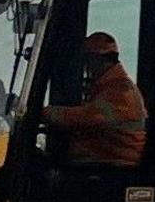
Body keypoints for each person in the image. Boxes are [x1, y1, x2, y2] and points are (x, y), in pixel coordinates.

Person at [46, 30, 148, 167]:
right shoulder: (107, 87)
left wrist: (43, 113)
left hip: (114, 165)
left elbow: (84, 117)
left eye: (87, 61)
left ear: (98, 60)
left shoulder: (122, 91)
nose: (85, 67)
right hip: (103, 160)